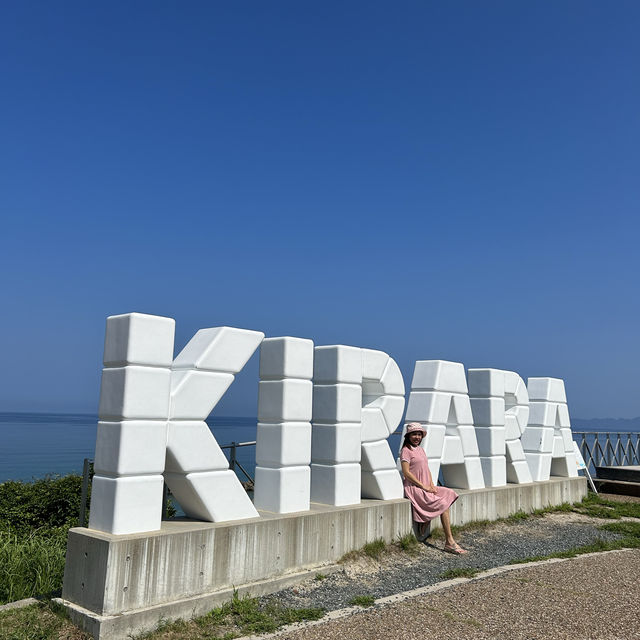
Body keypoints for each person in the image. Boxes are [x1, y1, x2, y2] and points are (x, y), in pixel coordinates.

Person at [400, 422, 468, 554]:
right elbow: (406, 473)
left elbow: (426, 469)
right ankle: (449, 542)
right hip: (414, 488)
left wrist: (431, 484)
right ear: (408, 436)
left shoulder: (420, 450)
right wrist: (423, 486)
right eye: (414, 434)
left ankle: (427, 518)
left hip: (426, 486)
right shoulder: (406, 451)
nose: (417, 437)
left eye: (419, 434)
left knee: (449, 493)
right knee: (442, 503)